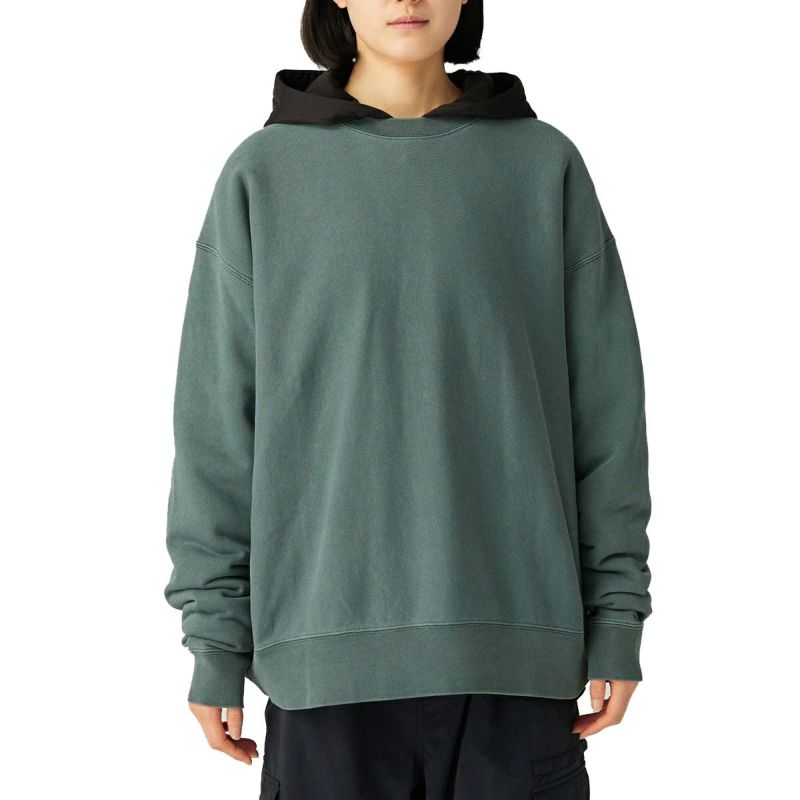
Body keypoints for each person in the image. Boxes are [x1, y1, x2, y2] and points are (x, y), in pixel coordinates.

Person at [164, 1, 654, 797]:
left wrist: (617, 616)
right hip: (322, 671)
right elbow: (218, 429)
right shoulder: (265, 173)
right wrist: (215, 641)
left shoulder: (542, 166)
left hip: (515, 665)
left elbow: (606, 414)